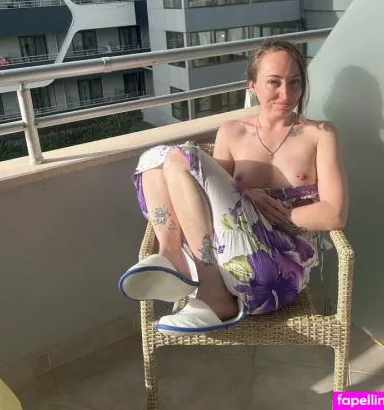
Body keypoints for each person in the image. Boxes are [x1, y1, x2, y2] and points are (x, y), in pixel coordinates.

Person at [119, 40, 348, 336]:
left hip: (275, 273)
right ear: (252, 85)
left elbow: (334, 214)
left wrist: (274, 216)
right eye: (274, 82)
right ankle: (172, 253)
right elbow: (207, 199)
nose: (286, 93)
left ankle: (211, 292)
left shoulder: (320, 134)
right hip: (226, 259)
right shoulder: (232, 132)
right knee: (152, 159)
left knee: (180, 156)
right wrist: (246, 197)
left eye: (295, 82)